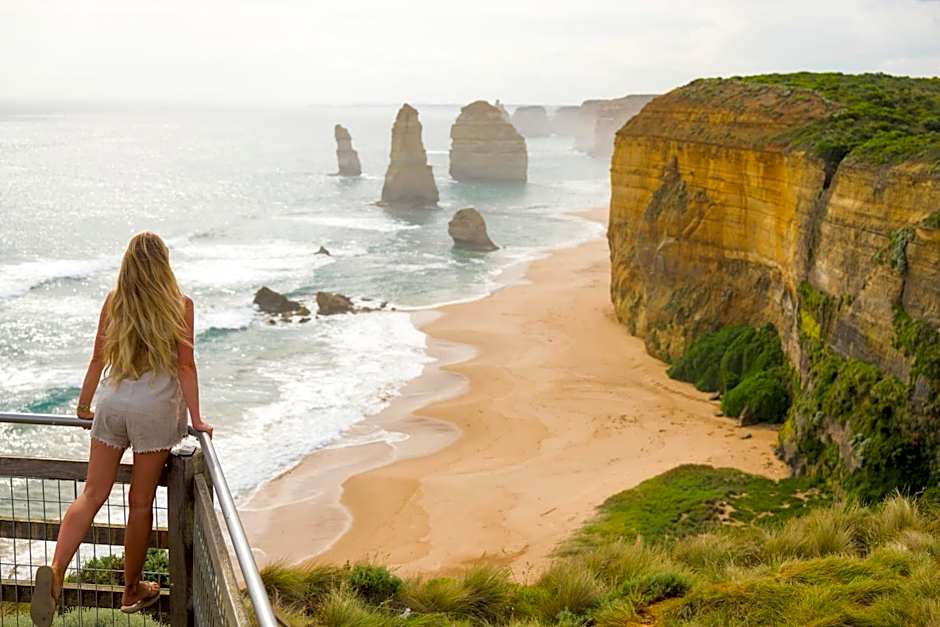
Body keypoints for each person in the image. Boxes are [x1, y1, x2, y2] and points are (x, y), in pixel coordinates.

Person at [31, 232, 213, 623]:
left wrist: (83, 406)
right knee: (140, 502)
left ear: (128, 263)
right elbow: (185, 366)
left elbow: (98, 359)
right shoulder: (181, 305)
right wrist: (197, 419)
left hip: (112, 405)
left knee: (92, 493)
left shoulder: (115, 301)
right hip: (154, 411)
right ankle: (131, 591)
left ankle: (57, 572)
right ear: (164, 263)